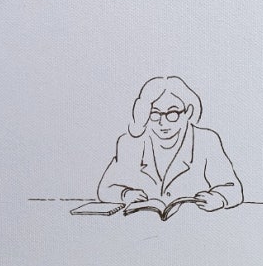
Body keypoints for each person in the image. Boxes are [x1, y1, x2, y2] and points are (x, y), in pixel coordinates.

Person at [97, 76, 243, 210]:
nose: (163, 122)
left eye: (172, 113)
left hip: (193, 223)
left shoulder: (206, 140)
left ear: (188, 111)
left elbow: (233, 188)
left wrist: (218, 198)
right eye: (155, 114)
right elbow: (105, 189)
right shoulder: (130, 143)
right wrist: (125, 194)